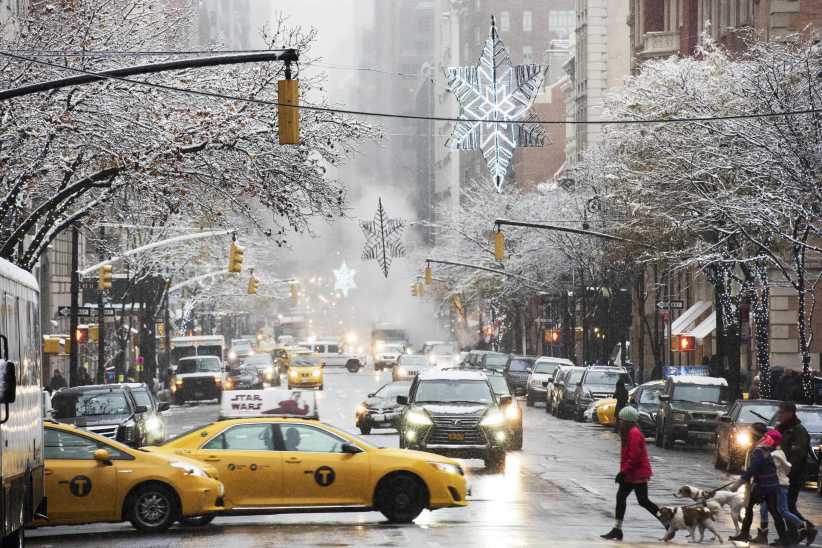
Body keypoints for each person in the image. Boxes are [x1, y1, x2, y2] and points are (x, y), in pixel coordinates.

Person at [601, 406, 661, 541]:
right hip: (630, 473)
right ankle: (617, 529)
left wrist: (623, 472)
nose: (619, 422)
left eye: (621, 420)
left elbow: (634, 456)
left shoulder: (634, 433)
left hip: (637, 474)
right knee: (622, 498)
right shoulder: (628, 433)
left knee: (643, 501)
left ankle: (667, 522)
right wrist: (624, 472)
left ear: (627, 421)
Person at [730, 427, 789, 545]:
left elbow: (753, 469)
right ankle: (784, 539)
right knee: (774, 511)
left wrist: (738, 483)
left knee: (749, 507)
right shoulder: (767, 449)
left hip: (762, 486)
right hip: (772, 485)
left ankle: (745, 533)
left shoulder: (758, 450)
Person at [776, 401, 818, 544]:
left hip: (794, 474)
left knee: (787, 506)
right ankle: (799, 531)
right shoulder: (780, 429)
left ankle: (803, 530)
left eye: (781, 413)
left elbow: (798, 455)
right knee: (786, 506)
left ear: (790, 413)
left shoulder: (799, 431)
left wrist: (787, 469)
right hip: (782, 474)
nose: (779, 415)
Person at [759, 429, 807, 544]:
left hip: (779, 486)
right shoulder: (776, 453)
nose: (764, 441)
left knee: (783, 510)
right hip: (773, 486)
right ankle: (763, 533)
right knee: (764, 508)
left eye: (766, 439)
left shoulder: (775, 455)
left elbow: (770, 470)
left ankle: (801, 525)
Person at [733, 422, 768, 543]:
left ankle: (761, 535)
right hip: (756, 482)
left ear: (755, 434)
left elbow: (754, 468)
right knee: (750, 507)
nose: (749, 434)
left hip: (761, 483)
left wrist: (740, 482)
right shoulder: (755, 446)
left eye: (750, 432)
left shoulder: (760, 448)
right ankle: (746, 533)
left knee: (773, 509)